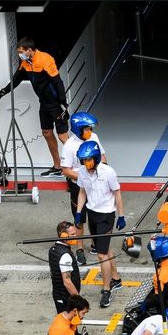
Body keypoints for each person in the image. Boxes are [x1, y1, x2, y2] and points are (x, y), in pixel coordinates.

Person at [0, 37, 69, 177]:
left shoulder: (45, 59)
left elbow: (58, 82)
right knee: (47, 133)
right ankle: (57, 168)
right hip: (43, 103)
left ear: (30, 50)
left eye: (21, 52)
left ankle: (79, 166)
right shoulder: (26, 63)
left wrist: (63, 104)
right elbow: (15, 81)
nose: (19, 55)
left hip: (55, 103)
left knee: (63, 136)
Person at [74, 141, 125, 308]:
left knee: (101, 254)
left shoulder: (108, 172)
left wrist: (121, 215)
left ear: (95, 158)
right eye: (83, 160)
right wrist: (79, 211)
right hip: (92, 214)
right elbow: (82, 191)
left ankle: (106, 289)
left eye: (87, 160)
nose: (85, 163)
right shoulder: (82, 172)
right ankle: (116, 279)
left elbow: (117, 193)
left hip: (106, 216)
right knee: (105, 248)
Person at [60, 112, 106, 265]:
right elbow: (65, 170)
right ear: (78, 129)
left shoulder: (94, 137)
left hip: (96, 185)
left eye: (90, 128)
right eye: (86, 128)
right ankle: (79, 249)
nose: (89, 131)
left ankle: (95, 243)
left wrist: (103, 173)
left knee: (96, 214)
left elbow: (103, 157)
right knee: (80, 218)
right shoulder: (69, 146)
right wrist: (84, 179)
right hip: (78, 187)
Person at [49, 221, 82, 314]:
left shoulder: (53, 249)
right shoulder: (65, 255)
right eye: (72, 234)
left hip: (59, 295)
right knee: (69, 326)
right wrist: (79, 301)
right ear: (63, 236)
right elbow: (67, 282)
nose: (76, 236)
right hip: (66, 298)